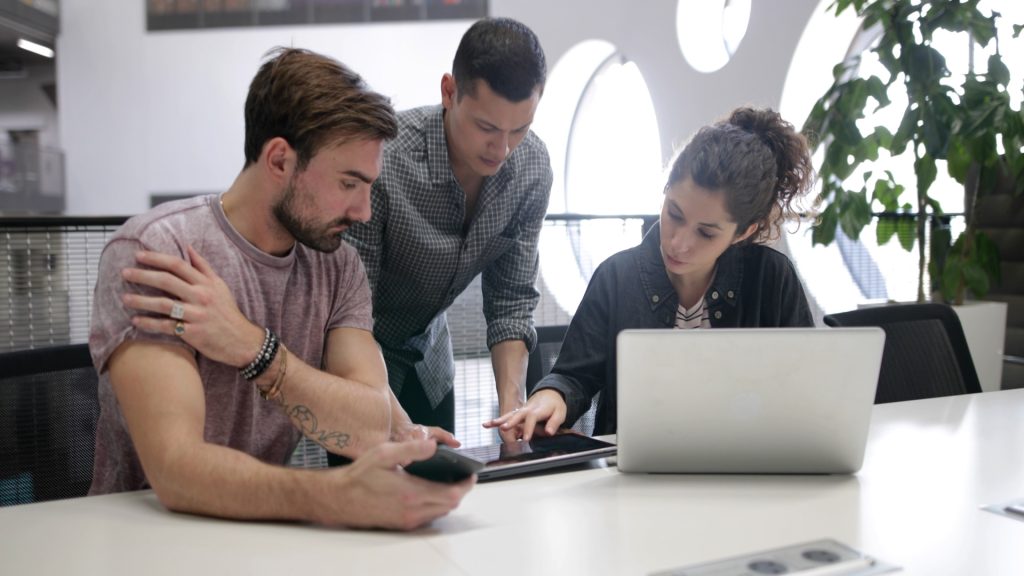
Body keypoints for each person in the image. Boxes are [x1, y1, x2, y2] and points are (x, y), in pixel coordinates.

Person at [88, 47, 473, 530]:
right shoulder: (158, 251)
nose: (364, 212)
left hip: (263, 532)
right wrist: (334, 497)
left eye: (368, 186)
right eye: (349, 183)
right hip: (145, 537)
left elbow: (371, 424)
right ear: (278, 160)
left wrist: (255, 348)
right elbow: (176, 472)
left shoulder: (338, 264)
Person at [485, 106, 816, 439]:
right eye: (674, 213)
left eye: (706, 233)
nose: (678, 242)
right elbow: (574, 378)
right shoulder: (616, 277)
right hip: (631, 474)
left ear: (744, 232)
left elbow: (804, 387)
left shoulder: (771, 278)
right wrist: (550, 396)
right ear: (666, 190)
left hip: (746, 468)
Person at [336, 17, 553, 446]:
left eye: (520, 129)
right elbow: (348, 314)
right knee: (367, 503)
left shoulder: (531, 168)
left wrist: (513, 411)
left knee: (441, 491)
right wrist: (394, 424)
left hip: (431, 366)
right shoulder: (386, 162)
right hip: (355, 360)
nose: (503, 149)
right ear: (449, 92)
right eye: (487, 128)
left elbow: (511, 301)